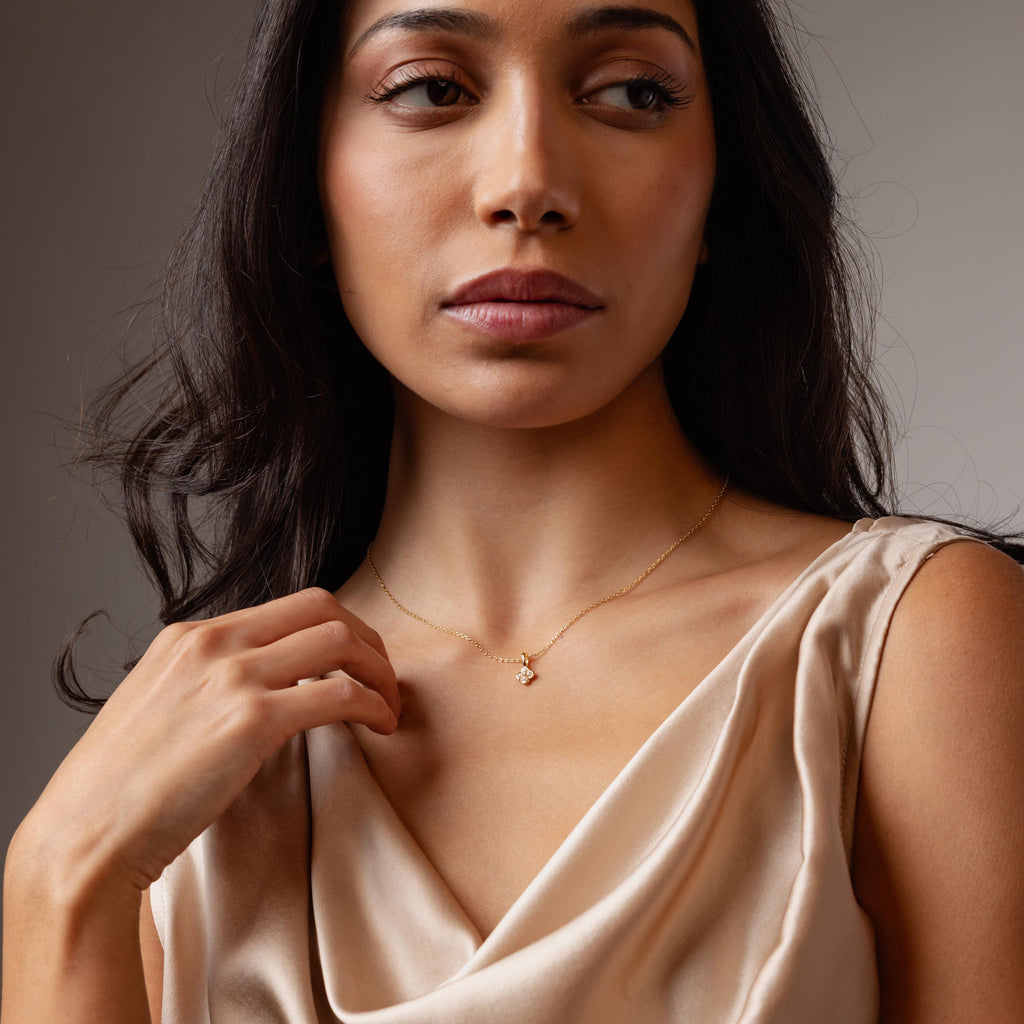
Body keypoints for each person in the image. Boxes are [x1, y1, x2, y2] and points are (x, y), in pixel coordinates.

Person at [3, 0, 1023, 1020]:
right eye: (430, 90)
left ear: (724, 188)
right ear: (305, 188)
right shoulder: (200, 763)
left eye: (631, 93)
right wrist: (59, 880)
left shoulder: (907, 649)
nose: (528, 183)